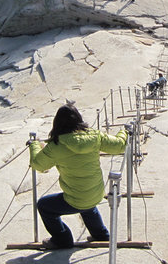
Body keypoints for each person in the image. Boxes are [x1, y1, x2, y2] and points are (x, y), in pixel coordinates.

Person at [29, 104, 128, 249]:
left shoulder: (57, 145)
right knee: (87, 203)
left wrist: (34, 145)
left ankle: (62, 239)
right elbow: (119, 145)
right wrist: (124, 132)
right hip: (97, 193)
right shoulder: (94, 136)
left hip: (76, 198)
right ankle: (101, 235)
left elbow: (38, 164)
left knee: (44, 206)